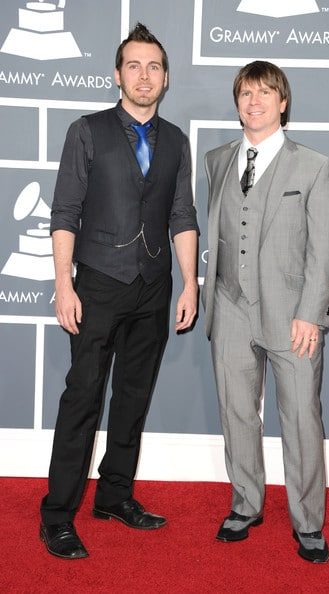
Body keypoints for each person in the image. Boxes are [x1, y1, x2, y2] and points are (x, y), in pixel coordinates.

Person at [40, 23, 199, 559]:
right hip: (98, 285)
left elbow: (182, 214)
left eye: (154, 66)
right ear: (117, 74)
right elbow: (64, 212)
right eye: (134, 65)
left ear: (166, 77)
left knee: (132, 399)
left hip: (153, 288)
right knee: (82, 398)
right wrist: (64, 283)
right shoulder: (86, 130)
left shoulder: (177, 140)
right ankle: (57, 515)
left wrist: (189, 284)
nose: (144, 75)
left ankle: (114, 496)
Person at [202, 61, 329, 562]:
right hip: (230, 305)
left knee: (301, 416)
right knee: (237, 412)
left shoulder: (316, 167)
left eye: (265, 92)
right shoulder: (217, 160)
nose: (254, 101)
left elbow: (324, 250)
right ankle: (245, 503)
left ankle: (308, 522)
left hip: (292, 316)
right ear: (236, 101)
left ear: (283, 102)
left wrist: (312, 313)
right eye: (245, 92)